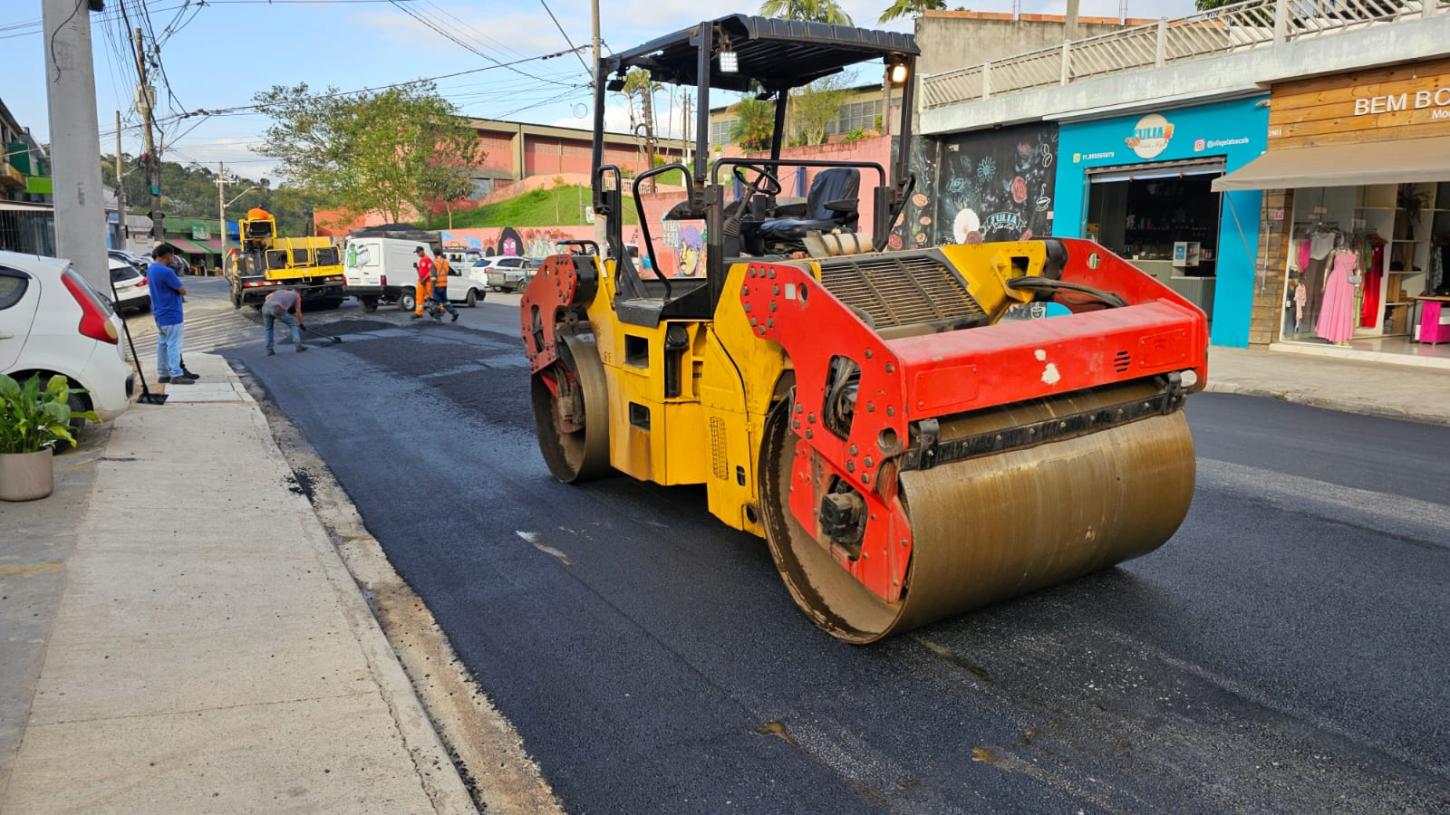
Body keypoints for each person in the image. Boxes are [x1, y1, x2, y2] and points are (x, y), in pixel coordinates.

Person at [147, 244, 193, 385]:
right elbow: (182, 290)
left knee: (162, 344)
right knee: (174, 345)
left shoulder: (151, 269)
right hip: (172, 313)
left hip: (159, 312)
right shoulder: (166, 272)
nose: (173, 258)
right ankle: (176, 374)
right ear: (167, 255)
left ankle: (163, 373)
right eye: (172, 255)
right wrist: (182, 290)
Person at [261, 286, 307, 356]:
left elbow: (267, 297)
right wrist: (301, 323)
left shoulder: (280, 291)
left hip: (265, 307)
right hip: (277, 308)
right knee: (293, 324)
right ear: (299, 292)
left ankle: (269, 350)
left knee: (268, 329)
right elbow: (298, 311)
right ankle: (298, 346)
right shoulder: (297, 295)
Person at [429, 251, 459, 322]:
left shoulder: (434, 263)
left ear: (434, 254)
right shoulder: (446, 262)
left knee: (436, 302)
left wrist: (432, 287)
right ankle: (454, 312)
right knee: (445, 301)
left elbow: (433, 277)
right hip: (444, 285)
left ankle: (437, 317)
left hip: (437, 285)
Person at [412, 246, 433, 320]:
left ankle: (438, 310)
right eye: (416, 252)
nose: (417, 254)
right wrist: (416, 268)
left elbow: (430, 271)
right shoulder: (421, 260)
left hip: (427, 282)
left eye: (418, 252)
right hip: (421, 281)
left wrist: (424, 279)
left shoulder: (428, 259)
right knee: (419, 297)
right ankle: (418, 313)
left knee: (431, 297)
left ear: (422, 251)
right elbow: (421, 273)